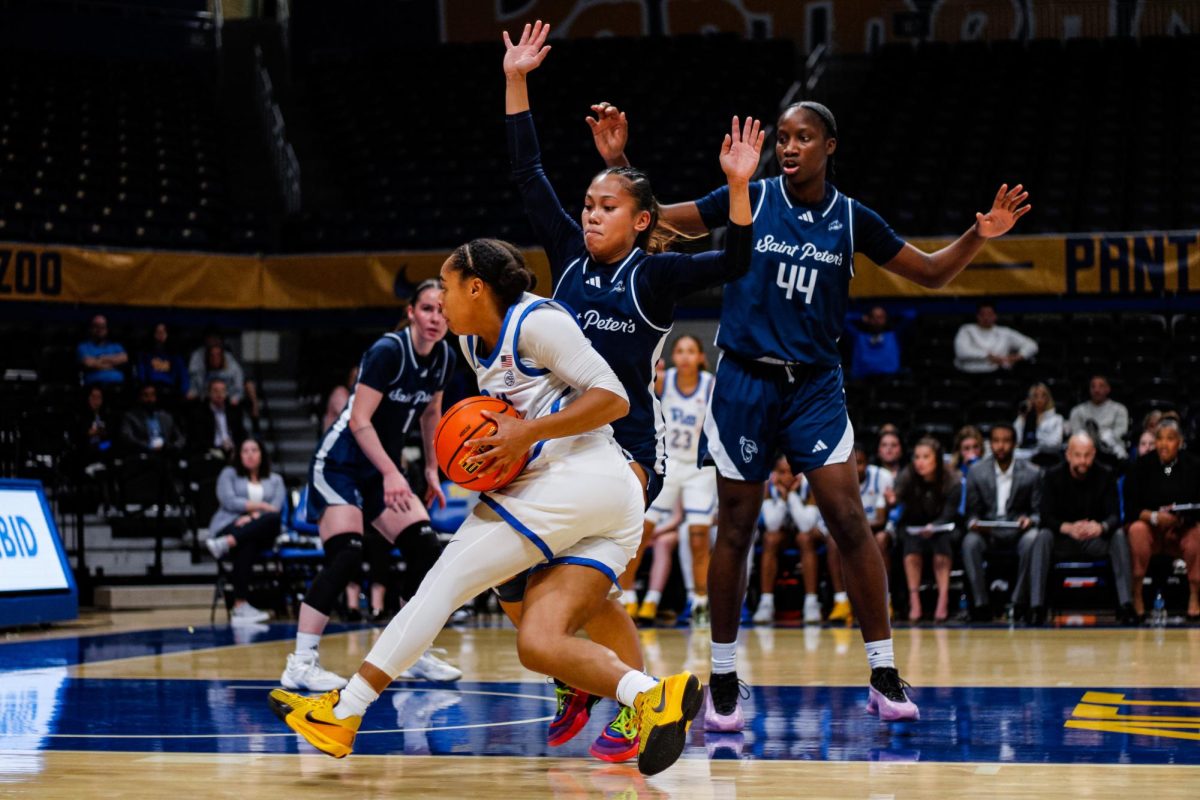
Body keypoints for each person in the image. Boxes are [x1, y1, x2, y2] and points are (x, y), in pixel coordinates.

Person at [591, 92, 1028, 727]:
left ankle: (882, 672)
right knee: (735, 527)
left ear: (830, 147)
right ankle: (723, 677)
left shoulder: (852, 218)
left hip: (815, 385)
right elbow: (656, 221)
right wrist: (620, 158)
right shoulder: (752, 196)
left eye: (802, 138)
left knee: (849, 518)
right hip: (743, 379)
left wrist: (977, 234)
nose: (789, 148)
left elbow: (931, 273)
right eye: (783, 139)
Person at [268, 239, 704, 777]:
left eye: (446, 288)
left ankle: (345, 710)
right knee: (539, 644)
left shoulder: (537, 322)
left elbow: (613, 398)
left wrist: (526, 434)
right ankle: (653, 695)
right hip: (594, 502)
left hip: (581, 478)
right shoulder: (473, 345)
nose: (441, 299)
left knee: (443, 583)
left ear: (476, 287)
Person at [496, 20, 758, 758]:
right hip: (557, 438)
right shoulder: (569, 259)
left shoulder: (656, 273)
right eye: (587, 204)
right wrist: (518, 80)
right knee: (516, 581)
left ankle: (626, 700)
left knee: (581, 584)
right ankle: (589, 683)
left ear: (642, 222)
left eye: (606, 206)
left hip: (626, 451)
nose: (589, 212)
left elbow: (736, 259)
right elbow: (527, 176)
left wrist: (738, 187)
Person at [280, 279, 461, 692]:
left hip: (380, 470)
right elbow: (359, 421)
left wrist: (432, 468)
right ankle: (301, 663)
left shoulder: (445, 357)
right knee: (347, 553)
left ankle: (411, 652)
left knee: (425, 548)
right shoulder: (387, 351)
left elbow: (431, 414)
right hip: (341, 463)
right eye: (428, 309)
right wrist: (394, 472)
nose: (436, 318)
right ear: (412, 312)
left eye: (442, 311)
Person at [639, 335, 718, 625]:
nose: (685, 356)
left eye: (691, 351)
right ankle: (626, 597)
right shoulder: (665, 380)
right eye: (680, 351)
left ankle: (700, 601)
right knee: (641, 532)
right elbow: (640, 388)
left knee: (699, 537)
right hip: (669, 463)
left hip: (699, 467)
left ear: (700, 356)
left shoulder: (711, 384)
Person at [1040, 432, 1136, 625]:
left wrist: (1101, 527)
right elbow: (1045, 517)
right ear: (1068, 455)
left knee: (1117, 535)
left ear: (1094, 454)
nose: (1082, 460)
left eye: (1087, 455)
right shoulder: (1052, 476)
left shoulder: (1106, 474)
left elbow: (1115, 515)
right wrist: (1066, 527)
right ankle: (1036, 606)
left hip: (1095, 540)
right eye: (1077, 455)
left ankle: (1126, 604)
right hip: (1064, 541)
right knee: (1042, 536)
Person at [962, 423, 1047, 625]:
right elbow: (971, 513)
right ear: (990, 444)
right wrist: (974, 523)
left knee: (1033, 538)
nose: (1001, 446)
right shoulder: (976, 471)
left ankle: (1018, 602)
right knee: (969, 542)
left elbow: (1037, 513)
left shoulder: (1032, 472)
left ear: (1015, 444)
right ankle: (981, 605)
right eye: (996, 441)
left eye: (1006, 441)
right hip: (988, 533)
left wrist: (1030, 520)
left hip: (1017, 532)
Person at [1123, 419, 1200, 620]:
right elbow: (1130, 508)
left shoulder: (1193, 465)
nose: (1164, 444)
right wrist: (1154, 516)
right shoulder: (1140, 465)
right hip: (1151, 529)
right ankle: (1137, 594)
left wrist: (1179, 518)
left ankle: (1194, 596)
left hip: (1181, 528)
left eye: (1170, 439)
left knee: (1197, 535)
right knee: (1136, 530)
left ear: (1180, 442)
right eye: (1160, 438)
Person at [204, 438, 287, 624]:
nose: (249, 454)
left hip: (260, 528)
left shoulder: (275, 480)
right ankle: (240, 606)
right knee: (248, 542)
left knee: (272, 520)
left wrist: (251, 517)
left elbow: (275, 509)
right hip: (229, 525)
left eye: (254, 450)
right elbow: (229, 501)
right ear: (239, 455)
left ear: (262, 454)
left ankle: (227, 543)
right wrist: (260, 507)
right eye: (245, 451)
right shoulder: (229, 474)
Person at [895, 438, 960, 623]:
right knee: (911, 546)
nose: (920, 462)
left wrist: (935, 526)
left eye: (925, 457)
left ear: (937, 459)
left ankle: (943, 598)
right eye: (916, 457)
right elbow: (902, 508)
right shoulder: (907, 476)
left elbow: (950, 513)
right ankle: (914, 600)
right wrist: (892, 499)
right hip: (915, 526)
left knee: (942, 545)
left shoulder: (952, 479)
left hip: (943, 527)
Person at [953, 301, 1038, 373]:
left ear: (995, 316)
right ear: (977, 316)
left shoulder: (1005, 332)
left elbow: (1032, 345)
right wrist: (988, 356)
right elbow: (962, 352)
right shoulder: (966, 330)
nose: (986, 318)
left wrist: (1019, 356)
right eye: (983, 315)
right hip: (967, 373)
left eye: (989, 314)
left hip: (997, 374)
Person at [1067, 375, 1130, 461]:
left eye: (1101, 386)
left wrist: (1103, 439)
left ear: (1108, 389)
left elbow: (1120, 434)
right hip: (1084, 452)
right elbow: (1075, 435)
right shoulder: (1077, 411)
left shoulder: (1120, 409)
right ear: (1089, 390)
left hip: (1112, 452)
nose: (1096, 390)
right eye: (1093, 386)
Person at [189, 377, 247, 460]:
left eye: (223, 391)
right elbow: (198, 439)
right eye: (215, 391)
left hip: (232, 450)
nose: (219, 394)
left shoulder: (233, 411)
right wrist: (216, 449)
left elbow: (241, 433)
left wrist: (237, 448)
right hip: (211, 451)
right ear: (209, 393)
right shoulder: (200, 413)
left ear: (226, 393)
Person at [119, 384, 185, 455]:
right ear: (139, 397)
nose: (150, 399)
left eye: (152, 395)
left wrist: (171, 447)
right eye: (146, 395)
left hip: (166, 452)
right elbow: (127, 437)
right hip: (143, 453)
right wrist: (148, 446)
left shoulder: (166, 416)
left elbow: (180, 438)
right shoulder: (130, 417)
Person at [134, 322, 189, 406]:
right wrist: (144, 386)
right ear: (153, 334)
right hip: (151, 388)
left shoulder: (175, 355)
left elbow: (183, 375)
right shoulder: (145, 354)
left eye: (163, 332)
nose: (160, 335)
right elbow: (141, 373)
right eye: (158, 332)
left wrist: (184, 392)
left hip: (169, 389)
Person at [1014, 382, 1064, 465]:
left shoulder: (1057, 419)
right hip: (1023, 458)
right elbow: (1015, 439)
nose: (1039, 399)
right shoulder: (1024, 417)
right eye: (1035, 396)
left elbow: (1056, 444)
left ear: (1048, 398)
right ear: (1030, 399)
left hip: (1046, 458)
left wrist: (1038, 431)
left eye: (1043, 395)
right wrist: (1022, 418)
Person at [847, 305, 902, 381]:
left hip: (889, 380)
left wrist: (891, 314)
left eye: (880, 317)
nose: (877, 320)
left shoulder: (892, 336)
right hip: (862, 381)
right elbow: (843, 319)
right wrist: (861, 317)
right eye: (873, 317)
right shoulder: (859, 337)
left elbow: (911, 315)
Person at [78, 314, 128, 386]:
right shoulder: (83, 347)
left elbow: (124, 358)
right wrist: (112, 364)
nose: (99, 330)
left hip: (118, 387)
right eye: (96, 326)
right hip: (94, 387)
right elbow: (88, 363)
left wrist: (99, 359)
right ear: (90, 328)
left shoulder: (116, 346)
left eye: (103, 327)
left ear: (107, 329)